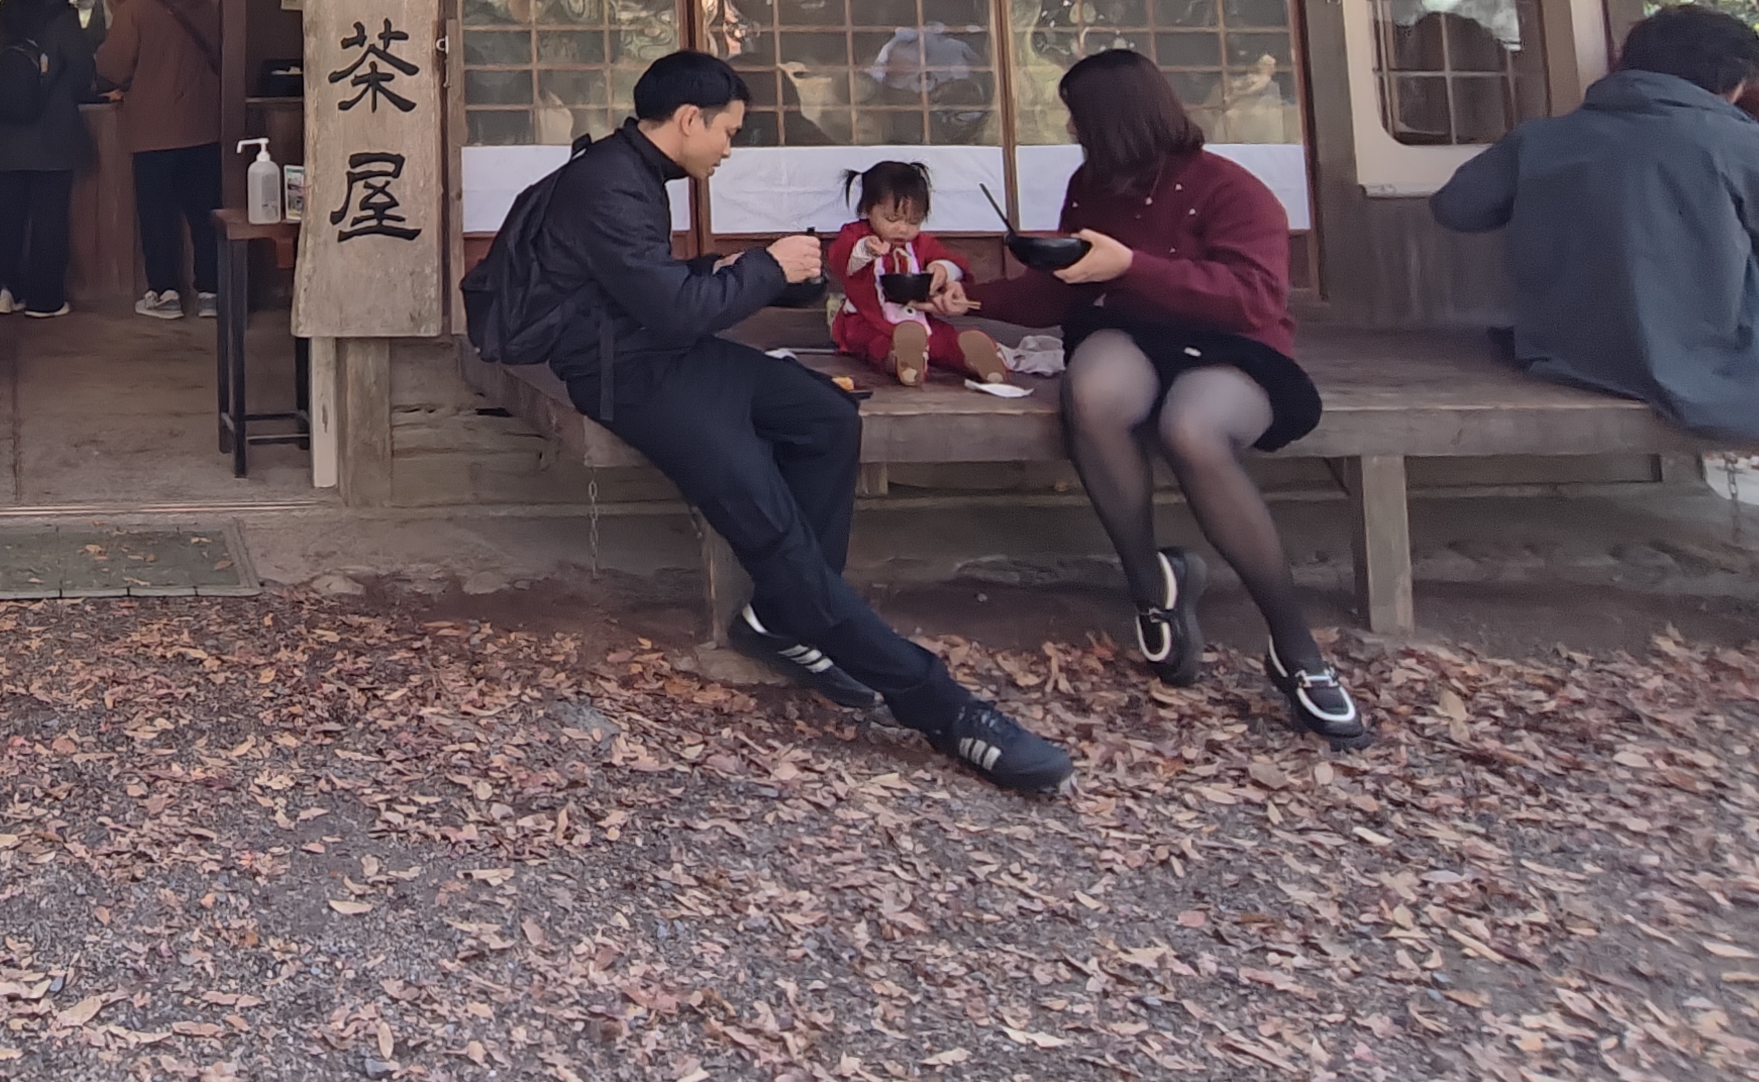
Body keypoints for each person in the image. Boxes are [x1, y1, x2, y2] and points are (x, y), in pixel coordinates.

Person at [540, 51, 1073, 794]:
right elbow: (663, 306)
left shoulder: (630, 171)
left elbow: (649, 290)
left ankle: (785, 619)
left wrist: (756, 271)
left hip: (666, 352)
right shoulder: (610, 184)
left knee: (826, 416)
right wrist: (763, 267)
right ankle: (945, 709)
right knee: (776, 534)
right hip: (625, 376)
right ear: (690, 121)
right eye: (728, 130)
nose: (730, 147)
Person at [966, 49, 1364, 748]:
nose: (1071, 131)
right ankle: (1151, 585)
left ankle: (1295, 647)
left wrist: (1134, 265)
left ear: (1116, 119)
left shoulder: (1230, 191)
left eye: (1078, 118)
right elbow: (1069, 287)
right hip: (1130, 332)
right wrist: (972, 298)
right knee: (1091, 393)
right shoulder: (1094, 185)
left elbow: (1255, 298)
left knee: (1192, 428)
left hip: (1232, 345)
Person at [1430, 2, 1759, 442]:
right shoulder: (1738, 143)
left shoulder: (1539, 139)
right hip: (1710, 365)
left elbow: (1456, 208)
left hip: (1565, 354)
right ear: (1731, 82)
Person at [98, 0, 223, 321]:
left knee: (156, 213)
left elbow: (112, 67)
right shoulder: (208, 2)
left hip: (152, 130)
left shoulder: (134, 10)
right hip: (205, 125)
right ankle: (211, 293)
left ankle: (165, 293)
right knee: (205, 212)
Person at [0, 0, 98, 319]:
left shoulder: (1, 16)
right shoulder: (63, 18)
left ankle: (3, 291)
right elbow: (81, 75)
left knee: (4, 215)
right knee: (49, 218)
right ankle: (45, 299)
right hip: (52, 135)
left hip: (1, 134)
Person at [822, 160, 1005, 387]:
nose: (903, 228)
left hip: (918, 318)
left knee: (942, 339)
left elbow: (953, 261)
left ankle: (975, 358)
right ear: (868, 209)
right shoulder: (856, 234)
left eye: (913, 221)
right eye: (892, 219)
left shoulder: (920, 244)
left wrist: (943, 270)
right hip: (867, 318)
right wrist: (866, 250)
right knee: (876, 342)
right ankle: (902, 361)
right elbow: (841, 259)